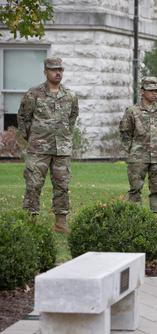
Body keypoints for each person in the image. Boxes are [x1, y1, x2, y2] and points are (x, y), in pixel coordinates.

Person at [17, 57, 79, 233]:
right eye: (53, 70)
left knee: (62, 185)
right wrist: (34, 137)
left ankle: (60, 223)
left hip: (62, 149)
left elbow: (72, 117)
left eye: (60, 69)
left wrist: (65, 135)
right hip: (38, 149)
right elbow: (23, 117)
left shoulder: (70, 96)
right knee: (33, 184)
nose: (58, 73)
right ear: (45, 72)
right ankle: (30, 221)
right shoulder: (34, 94)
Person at [119, 77, 157, 218]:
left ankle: (155, 219)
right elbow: (125, 132)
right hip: (138, 157)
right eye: (151, 90)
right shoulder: (132, 111)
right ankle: (134, 220)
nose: (154, 93)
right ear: (142, 91)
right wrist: (131, 150)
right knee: (135, 189)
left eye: (156, 90)